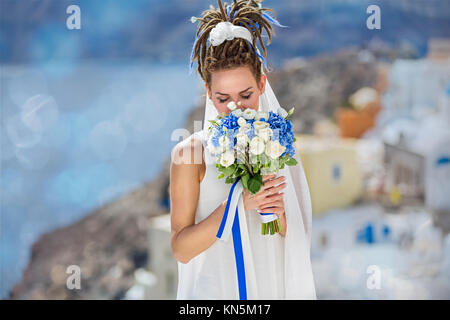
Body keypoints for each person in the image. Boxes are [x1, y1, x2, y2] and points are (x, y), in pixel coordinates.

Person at [170, 0, 316, 299]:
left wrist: (280, 216)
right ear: (208, 93)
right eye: (222, 98)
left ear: (262, 84)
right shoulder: (190, 156)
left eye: (245, 94)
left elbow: (298, 238)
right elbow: (181, 250)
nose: (235, 108)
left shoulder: (278, 145)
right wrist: (237, 204)